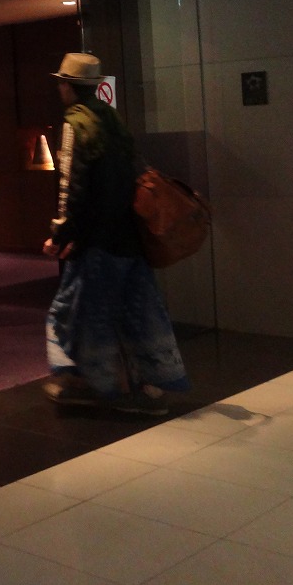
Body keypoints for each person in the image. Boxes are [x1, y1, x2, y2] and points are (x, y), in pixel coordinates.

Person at [42, 52, 189, 415]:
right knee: (135, 312)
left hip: (96, 243)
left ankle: (106, 388)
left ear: (67, 86)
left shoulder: (75, 124)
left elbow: (72, 188)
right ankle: (148, 389)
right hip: (129, 238)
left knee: (75, 315)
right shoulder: (113, 121)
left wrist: (60, 234)